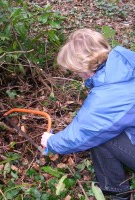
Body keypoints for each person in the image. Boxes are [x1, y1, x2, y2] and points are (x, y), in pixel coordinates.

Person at [41, 28, 135, 200]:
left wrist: (52, 142)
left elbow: (84, 132)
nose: (75, 74)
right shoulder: (126, 62)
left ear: (84, 67)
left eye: (74, 70)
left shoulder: (107, 94)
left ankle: (118, 195)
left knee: (101, 137)